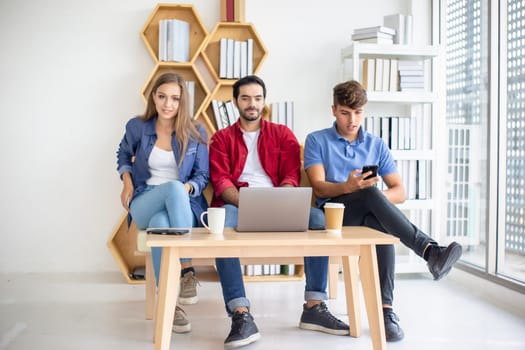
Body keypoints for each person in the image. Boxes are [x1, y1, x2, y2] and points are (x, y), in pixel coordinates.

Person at [303, 79, 463, 342]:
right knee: (370, 198)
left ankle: (385, 312)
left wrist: (374, 197)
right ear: (334, 110)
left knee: (379, 222)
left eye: (358, 112)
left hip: (367, 213)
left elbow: (399, 191)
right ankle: (429, 251)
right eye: (345, 112)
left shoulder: (376, 144)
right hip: (333, 216)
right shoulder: (317, 140)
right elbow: (319, 189)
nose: (352, 120)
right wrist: (349, 186)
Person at [209, 75, 347, 349]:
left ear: (264, 100)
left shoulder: (282, 134)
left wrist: (279, 199)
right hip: (239, 205)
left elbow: (291, 176)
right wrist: (249, 204)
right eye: (246, 98)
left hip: (279, 204)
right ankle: (240, 313)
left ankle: (314, 306)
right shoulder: (221, 139)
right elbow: (222, 182)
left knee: (318, 220)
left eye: (257, 98)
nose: (252, 104)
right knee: (220, 230)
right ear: (236, 101)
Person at [116, 71, 209, 333]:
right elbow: (123, 153)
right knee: (171, 190)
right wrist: (127, 182)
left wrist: (188, 188)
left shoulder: (195, 131)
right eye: (162, 96)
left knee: (160, 223)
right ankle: (187, 269)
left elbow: (202, 175)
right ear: (153, 97)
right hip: (144, 199)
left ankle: (168, 303)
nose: (168, 104)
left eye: (175, 99)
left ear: (183, 102)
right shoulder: (137, 127)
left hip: (182, 206)